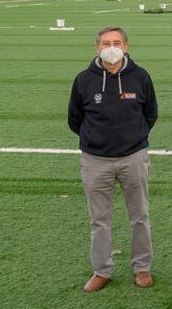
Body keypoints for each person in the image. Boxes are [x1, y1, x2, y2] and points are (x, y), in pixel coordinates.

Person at [67, 26, 158, 293]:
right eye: (106, 42)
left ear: (126, 46)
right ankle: (102, 270)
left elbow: (150, 113)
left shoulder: (141, 77)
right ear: (97, 47)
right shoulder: (84, 79)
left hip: (133, 157)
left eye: (117, 42)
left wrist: (134, 138)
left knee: (139, 215)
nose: (111, 46)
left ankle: (142, 267)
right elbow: (75, 119)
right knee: (99, 219)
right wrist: (96, 139)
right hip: (95, 160)